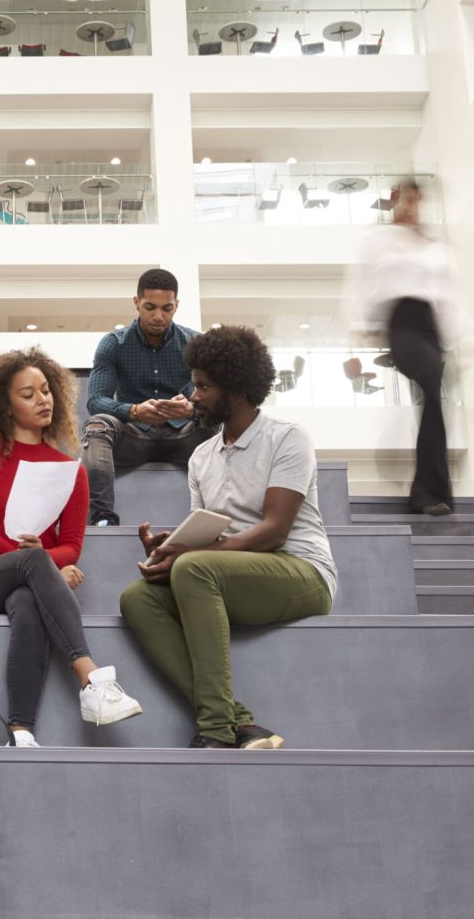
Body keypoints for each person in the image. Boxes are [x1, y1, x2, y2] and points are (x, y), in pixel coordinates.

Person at [119, 326, 336, 750]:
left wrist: (189, 555)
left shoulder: (288, 438)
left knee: (195, 566)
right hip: (232, 575)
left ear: (236, 388)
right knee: (137, 598)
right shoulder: (201, 457)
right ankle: (241, 723)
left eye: (204, 386)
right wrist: (168, 554)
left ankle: (216, 730)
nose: (194, 395)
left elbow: (274, 532)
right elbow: (210, 536)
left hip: (302, 573)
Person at [0, 347, 143, 748]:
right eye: (28, 394)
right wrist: (40, 562)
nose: (43, 399)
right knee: (31, 564)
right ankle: (90, 677)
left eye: (46, 390)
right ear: (4, 407)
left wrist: (42, 566)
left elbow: (71, 546)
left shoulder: (71, 471)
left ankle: (20, 732)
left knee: (26, 602)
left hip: (31, 585)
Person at [347, 179, 462, 516]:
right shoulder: (379, 241)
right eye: (407, 200)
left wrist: (458, 340)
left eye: (418, 200)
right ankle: (428, 491)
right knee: (429, 381)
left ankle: (430, 493)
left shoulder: (436, 246)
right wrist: (360, 325)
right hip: (401, 323)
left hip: (431, 326)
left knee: (435, 401)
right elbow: (359, 285)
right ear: (396, 201)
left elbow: (448, 298)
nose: (413, 207)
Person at [81, 268, 216, 527]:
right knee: (97, 424)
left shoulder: (196, 343)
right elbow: (96, 400)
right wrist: (134, 411)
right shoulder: (113, 343)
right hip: (134, 438)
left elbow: (216, 400)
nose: (158, 316)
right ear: (136, 302)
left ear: (176, 305)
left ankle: (219, 517)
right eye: (150, 307)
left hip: (184, 439)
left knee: (220, 425)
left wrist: (191, 408)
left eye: (167, 309)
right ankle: (102, 519)